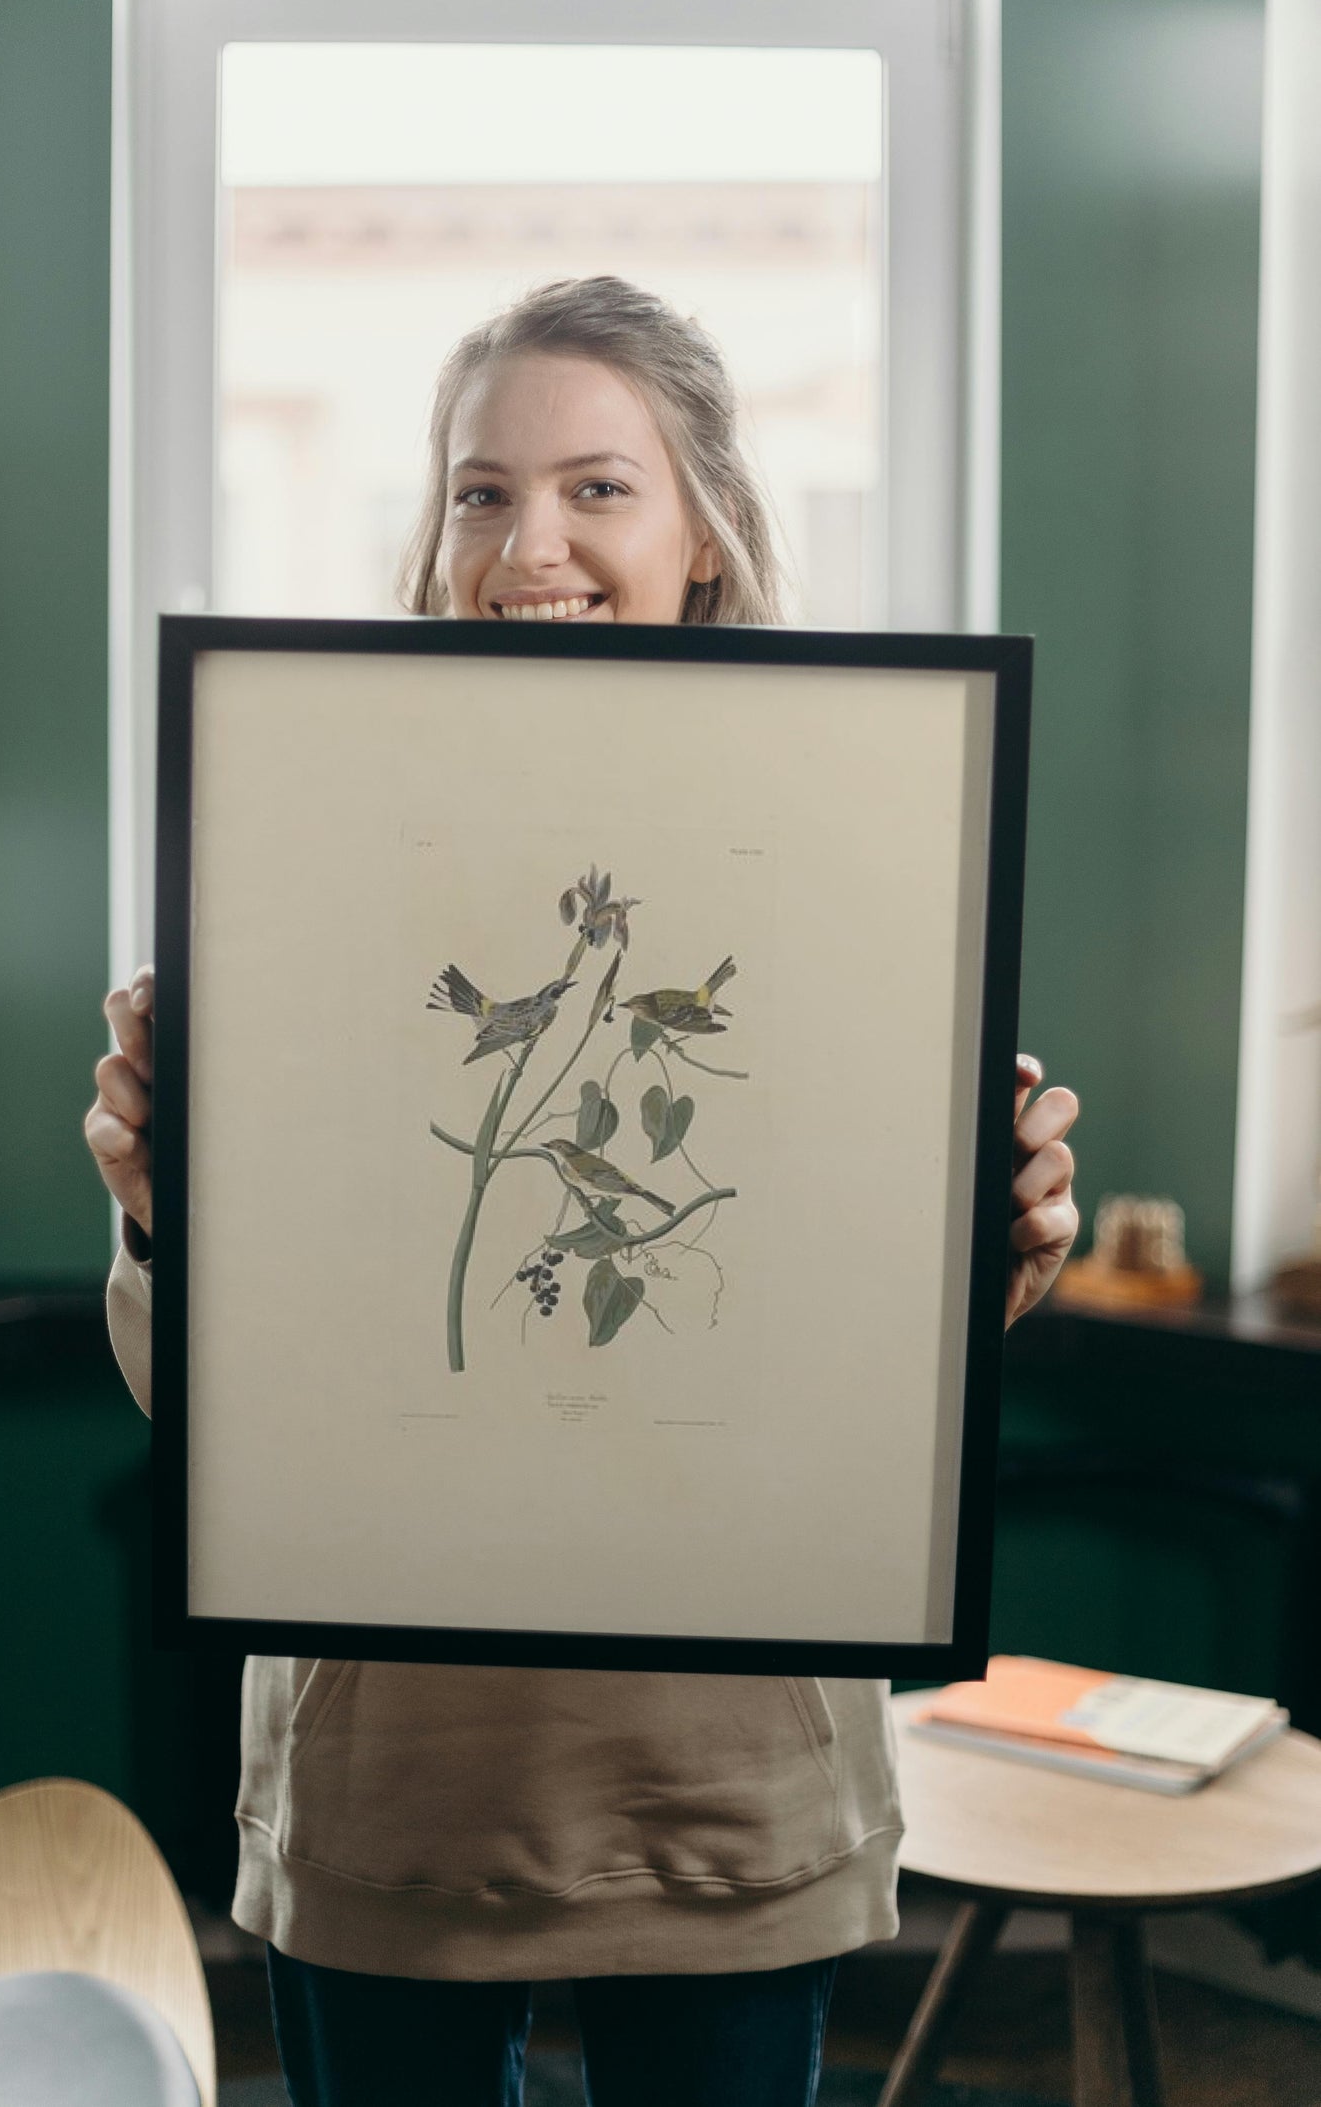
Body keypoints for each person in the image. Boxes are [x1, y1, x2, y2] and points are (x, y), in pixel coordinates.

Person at [85, 276, 1080, 2107]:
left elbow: (857, 1353)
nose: (525, 541)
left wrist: (988, 1251)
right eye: (479, 490)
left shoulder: (860, 849)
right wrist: (161, 1218)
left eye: (595, 487)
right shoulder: (298, 853)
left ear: (702, 529)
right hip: (395, 1775)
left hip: (726, 1780)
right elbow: (209, 1404)